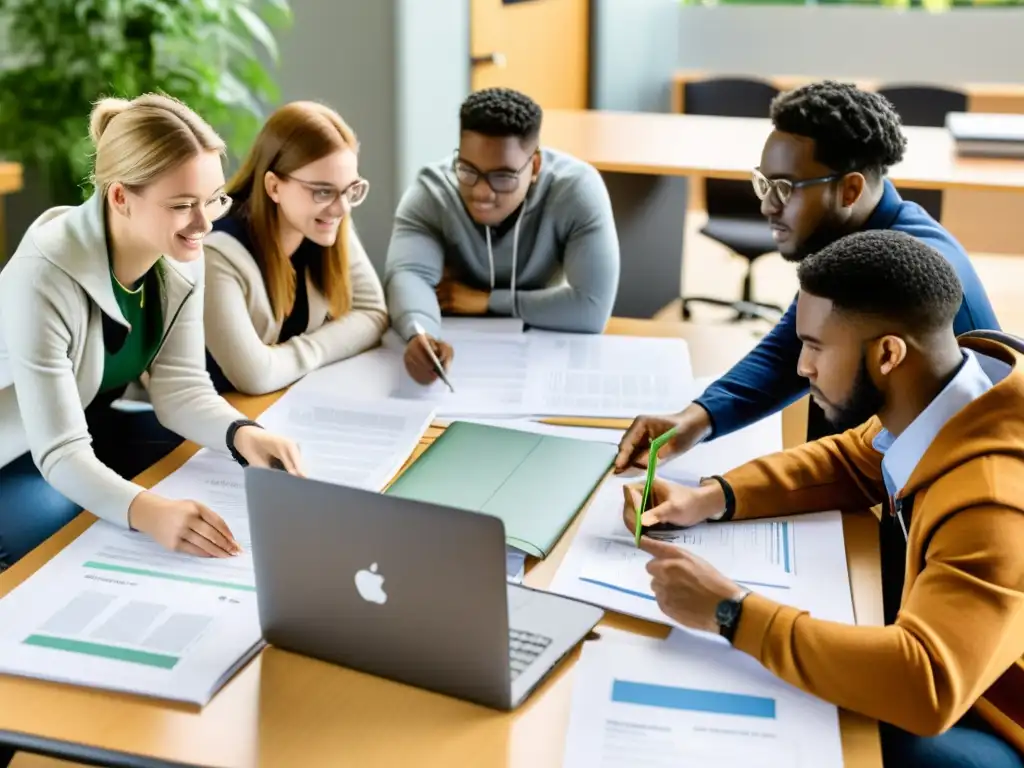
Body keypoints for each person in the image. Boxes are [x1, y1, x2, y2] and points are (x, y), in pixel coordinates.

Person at [621, 231, 1023, 768]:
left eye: (814, 347)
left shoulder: (992, 501)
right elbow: (852, 460)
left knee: (827, 728)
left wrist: (731, 612)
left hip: (1000, 710)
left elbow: (925, 682)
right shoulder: (950, 391)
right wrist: (710, 497)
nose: (801, 367)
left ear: (888, 353)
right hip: (968, 666)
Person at [614, 80, 1000, 473]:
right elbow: (787, 352)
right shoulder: (859, 242)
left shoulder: (893, 274)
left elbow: (873, 458)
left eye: (784, 188)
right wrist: (694, 420)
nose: (766, 205)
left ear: (850, 190)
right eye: (763, 184)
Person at [0, 94, 305, 570]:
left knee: (190, 458)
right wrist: (150, 512)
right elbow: (58, 451)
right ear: (120, 196)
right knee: (65, 519)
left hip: (89, 426)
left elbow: (180, 387)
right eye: (183, 204)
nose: (204, 223)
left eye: (212, 200)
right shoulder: (42, 275)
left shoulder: (180, 253)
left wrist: (241, 433)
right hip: (19, 454)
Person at [384, 87, 620, 385]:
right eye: (468, 170)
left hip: (542, 359)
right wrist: (420, 333)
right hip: (463, 353)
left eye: (503, 176)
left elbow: (590, 310)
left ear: (534, 166)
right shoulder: (432, 193)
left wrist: (487, 301)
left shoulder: (577, 191)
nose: (482, 192)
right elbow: (408, 275)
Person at [203, 101, 387, 395]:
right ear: (274, 187)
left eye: (351, 189)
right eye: (323, 191)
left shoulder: (325, 218)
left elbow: (373, 312)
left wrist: (294, 356)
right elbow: (255, 376)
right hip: (206, 423)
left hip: (281, 405)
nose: (341, 208)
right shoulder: (216, 253)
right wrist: (324, 347)